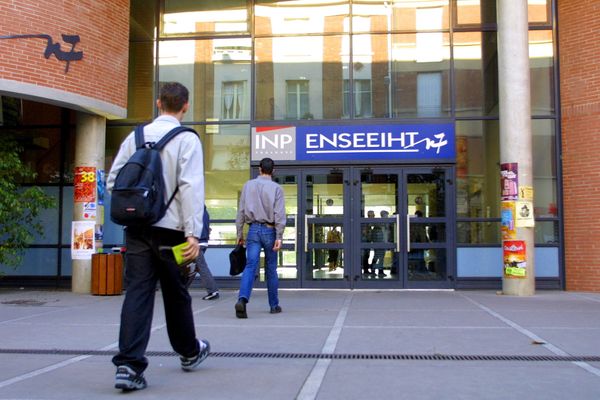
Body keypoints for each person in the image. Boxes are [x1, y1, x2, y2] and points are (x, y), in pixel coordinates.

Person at [107, 82, 210, 391]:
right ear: (185, 106)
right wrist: (193, 234)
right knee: (176, 292)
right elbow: (191, 186)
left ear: (158, 103)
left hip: (137, 229)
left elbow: (114, 181)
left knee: (138, 293)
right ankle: (190, 352)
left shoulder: (135, 137)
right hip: (174, 232)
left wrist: (138, 207)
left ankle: (128, 365)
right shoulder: (187, 139)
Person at [234, 157, 286, 318]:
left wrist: (239, 233)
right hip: (270, 230)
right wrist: (279, 235)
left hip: (253, 230)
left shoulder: (248, 186)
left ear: (259, 169)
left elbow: (241, 211)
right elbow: (279, 214)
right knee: (271, 268)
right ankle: (274, 305)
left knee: (250, 266)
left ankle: (242, 299)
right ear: (273, 171)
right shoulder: (276, 188)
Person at [185, 206, 219, 300]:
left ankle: (213, 291)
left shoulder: (196, 212)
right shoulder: (205, 212)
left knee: (199, 266)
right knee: (194, 266)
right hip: (203, 242)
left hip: (197, 242)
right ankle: (182, 289)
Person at [362, 210, 375, 275]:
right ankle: (365, 270)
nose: (374, 216)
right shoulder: (365, 223)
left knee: (367, 256)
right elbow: (365, 233)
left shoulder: (369, 223)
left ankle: (366, 270)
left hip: (368, 242)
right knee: (365, 256)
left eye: (374, 215)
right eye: (373, 215)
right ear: (369, 215)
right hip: (364, 242)